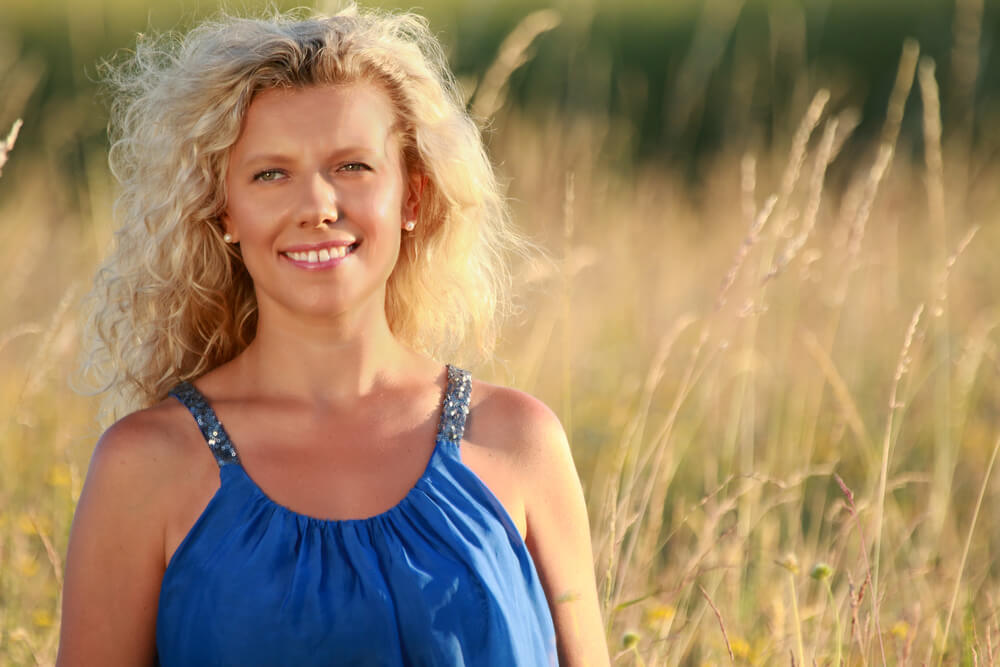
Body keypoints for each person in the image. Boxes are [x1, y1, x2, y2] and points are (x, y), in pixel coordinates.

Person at [57, 5, 609, 666]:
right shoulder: (144, 466)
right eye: (271, 174)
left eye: (352, 166)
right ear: (224, 209)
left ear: (412, 197)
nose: (318, 205)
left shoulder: (520, 442)